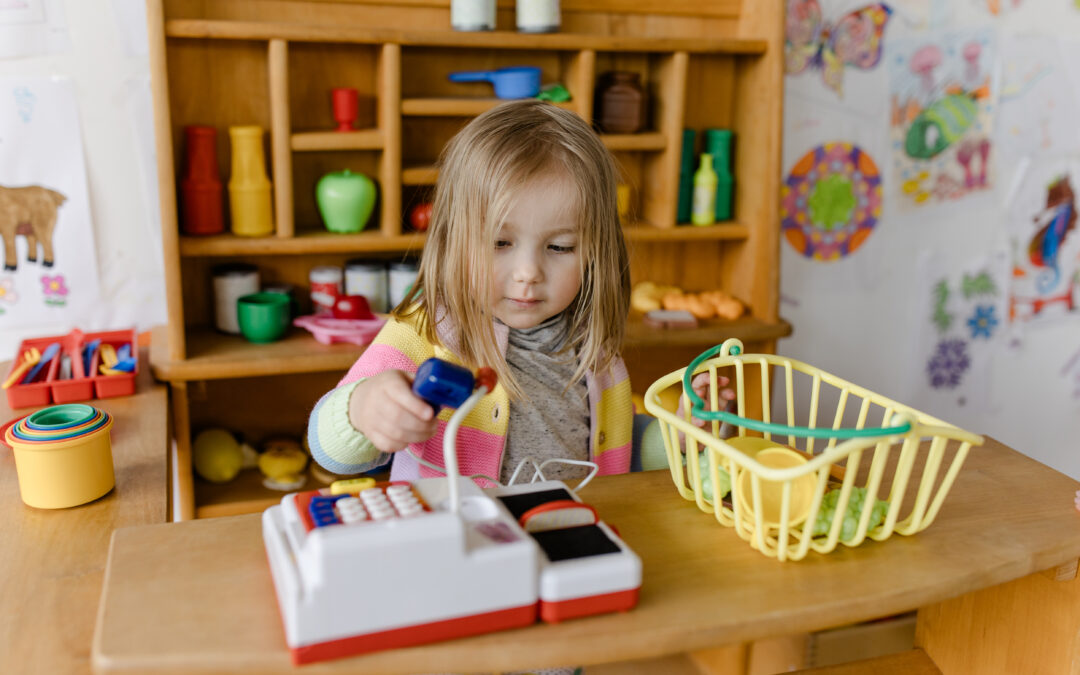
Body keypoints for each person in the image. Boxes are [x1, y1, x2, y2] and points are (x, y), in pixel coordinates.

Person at [308, 99, 640, 485]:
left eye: (560, 247)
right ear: (453, 240)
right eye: (500, 242)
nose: (528, 273)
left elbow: (620, 447)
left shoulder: (593, 350)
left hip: (563, 535)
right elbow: (329, 449)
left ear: (598, 252)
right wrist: (362, 410)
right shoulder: (426, 331)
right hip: (451, 541)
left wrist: (683, 436)